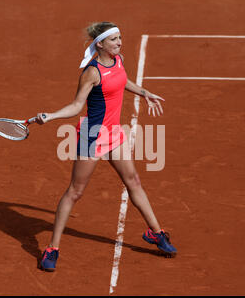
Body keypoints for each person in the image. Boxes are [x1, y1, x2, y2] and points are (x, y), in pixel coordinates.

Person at [36, 22, 176, 272]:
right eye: (114, 40)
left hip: (114, 134)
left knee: (133, 181)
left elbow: (122, 81)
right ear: (99, 44)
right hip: (92, 136)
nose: (120, 42)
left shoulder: (118, 60)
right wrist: (51, 116)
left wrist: (144, 92)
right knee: (75, 192)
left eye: (120, 37)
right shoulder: (91, 72)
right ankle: (52, 248)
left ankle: (156, 233)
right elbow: (77, 105)